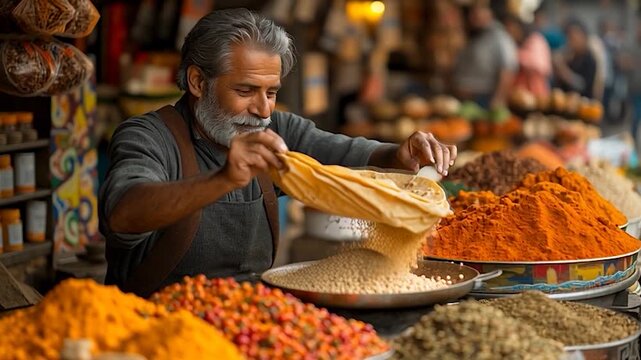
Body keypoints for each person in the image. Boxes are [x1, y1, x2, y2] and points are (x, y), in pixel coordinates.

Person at [99, 9, 457, 296]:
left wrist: (400, 155)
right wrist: (223, 179)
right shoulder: (148, 137)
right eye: (245, 90)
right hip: (155, 330)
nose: (263, 109)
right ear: (197, 82)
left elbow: (345, 153)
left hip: (253, 317)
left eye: (271, 92)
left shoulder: (276, 131)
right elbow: (123, 215)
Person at [451, 1, 518, 108]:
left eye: (479, 11)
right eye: (472, 12)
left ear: (490, 13)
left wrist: (498, 99)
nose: (473, 16)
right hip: (464, 100)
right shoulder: (474, 35)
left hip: (484, 100)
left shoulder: (500, 37)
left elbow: (508, 69)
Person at [502, 14, 552, 97]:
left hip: (536, 94)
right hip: (518, 94)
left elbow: (540, 66)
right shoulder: (514, 44)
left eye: (512, 28)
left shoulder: (535, 40)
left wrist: (517, 55)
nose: (511, 32)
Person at [553, 19, 598, 99]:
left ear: (584, 37)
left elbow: (583, 86)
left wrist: (564, 71)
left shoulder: (589, 60)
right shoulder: (570, 57)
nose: (571, 42)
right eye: (570, 38)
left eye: (574, 38)